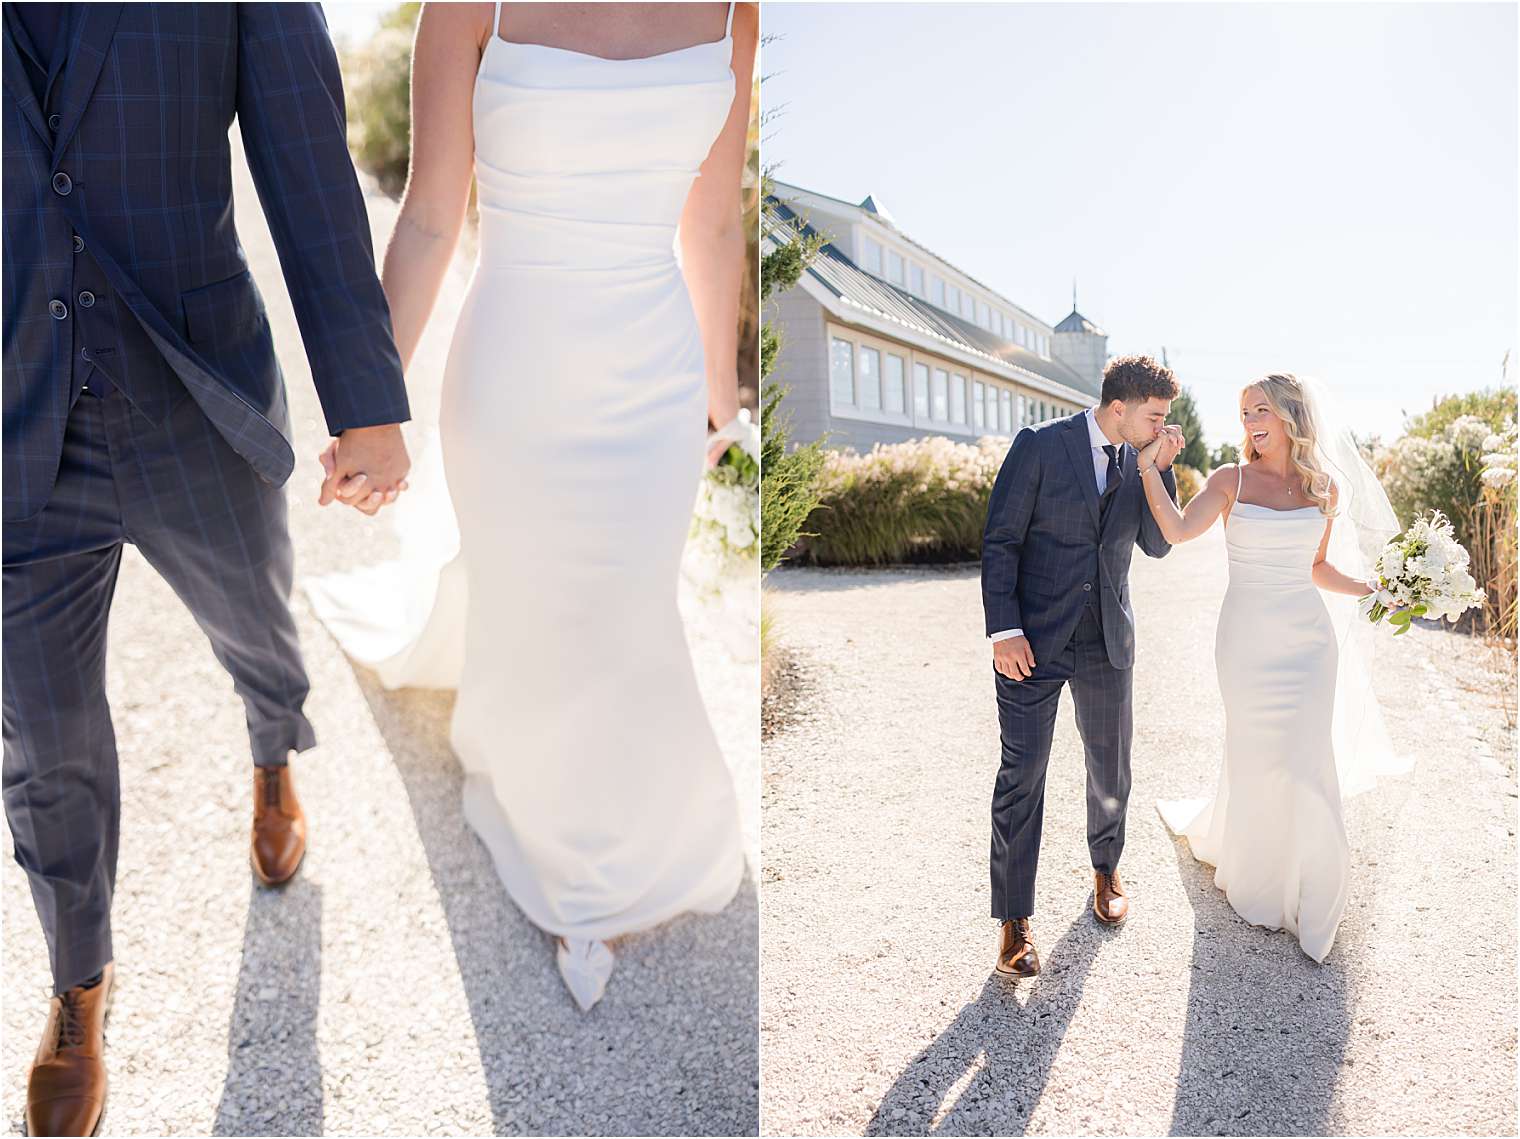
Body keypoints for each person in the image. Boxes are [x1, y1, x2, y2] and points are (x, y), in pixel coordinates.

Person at [2, 4, 411, 1134]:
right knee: (42, 734)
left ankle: (275, 747)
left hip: (195, 395)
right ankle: (77, 987)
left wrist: (366, 402)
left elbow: (307, 166)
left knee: (257, 628)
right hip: (16, 423)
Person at [303, 1, 758, 1011]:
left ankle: (624, 821)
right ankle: (566, 855)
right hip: (514, 369)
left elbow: (715, 217)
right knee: (536, 609)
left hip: (655, 379)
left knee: (626, 608)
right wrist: (368, 404)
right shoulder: (472, 6)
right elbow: (428, 216)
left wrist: (717, 389)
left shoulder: (735, 11)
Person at [1146, 372, 1406, 961]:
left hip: (1309, 643)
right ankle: (1259, 877)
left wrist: (1372, 587)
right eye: (1242, 414)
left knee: (1307, 759)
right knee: (1258, 754)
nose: (1249, 423)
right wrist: (1149, 469)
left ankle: (1314, 884)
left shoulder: (1325, 490)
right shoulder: (1229, 480)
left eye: (1258, 410)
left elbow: (1316, 566)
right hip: (1246, 641)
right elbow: (1178, 531)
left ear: (1290, 414)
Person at [980, 354, 1180, 977]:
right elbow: (1001, 541)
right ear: (1119, 408)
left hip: (1106, 641)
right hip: (1031, 642)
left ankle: (1106, 869)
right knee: (1023, 775)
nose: (1163, 429)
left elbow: (1158, 542)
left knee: (1110, 767)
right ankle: (1015, 922)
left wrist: (1160, 471)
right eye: (1156, 418)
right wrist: (1004, 629)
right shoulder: (1040, 446)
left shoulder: (1141, 459)